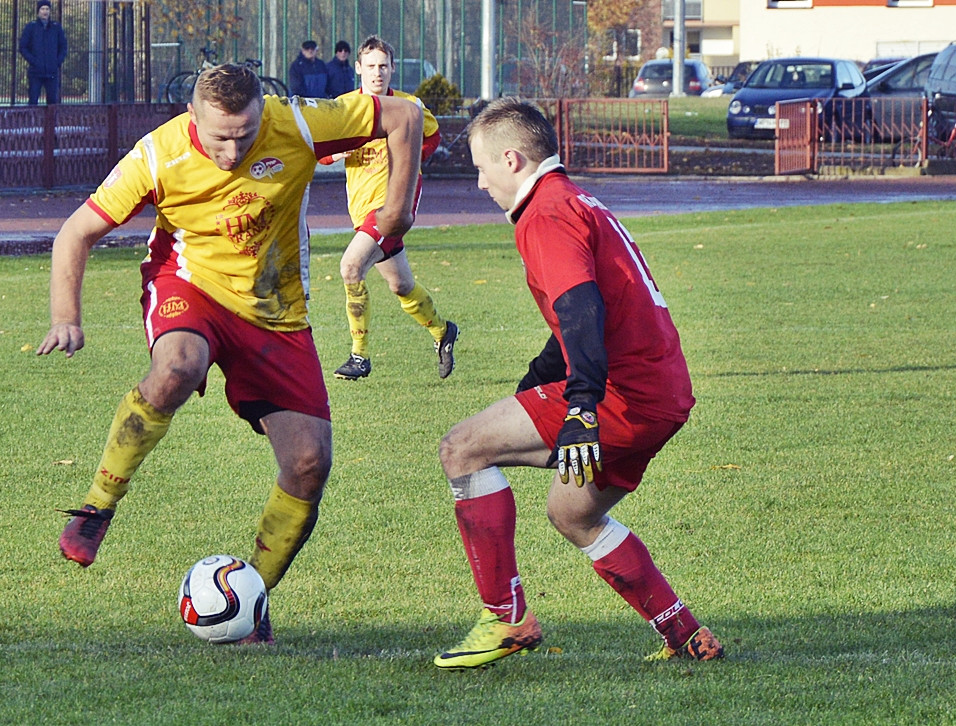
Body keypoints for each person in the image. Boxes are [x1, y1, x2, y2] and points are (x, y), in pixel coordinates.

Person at [38, 63, 423, 644]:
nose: (233, 147)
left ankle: (252, 604)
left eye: (244, 134)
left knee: (308, 465)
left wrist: (396, 210)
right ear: (192, 115)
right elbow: (76, 233)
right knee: (177, 366)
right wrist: (66, 318)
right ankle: (96, 506)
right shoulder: (156, 154)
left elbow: (405, 114)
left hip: (276, 314)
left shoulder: (295, 121)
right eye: (219, 136)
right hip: (189, 288)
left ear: (259, 113)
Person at [432, 97, 723, 669]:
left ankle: (505, 620)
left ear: (511, 160)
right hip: (662, 395)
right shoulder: (575, 200)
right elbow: (575, 321)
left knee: (461, 449)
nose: (480, 181)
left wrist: (582, 407)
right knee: (574, 514)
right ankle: (687, 635)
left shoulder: (546, 213)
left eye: (481, 166)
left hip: (622, 391)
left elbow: (582, 311)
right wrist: (534, 386)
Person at [324, 35, 458, 381]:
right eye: (370, 66)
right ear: (358, 69)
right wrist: (336, 153)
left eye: (383, 66)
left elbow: (432, 136)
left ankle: (359, 356)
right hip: (362, 208)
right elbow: (320, 151)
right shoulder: (344, 107)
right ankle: (443, 332)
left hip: (392, 205)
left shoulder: (409, 106)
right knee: (400, 285)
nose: (377, 73)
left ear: (392, 68)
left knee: (351, 267)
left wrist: (409, 159)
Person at [18, 0, 67, 106]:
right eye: (43, 9)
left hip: (52, 72)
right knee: (33, 101)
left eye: (47, 9)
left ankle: (51, 123)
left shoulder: (56, 28)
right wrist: (34, 61)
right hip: (35, 72)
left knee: (52, 103)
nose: (45, 11)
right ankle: (32, 123)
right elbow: (23, 47)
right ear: (38, 11)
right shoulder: (31, 27)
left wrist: (57, 62)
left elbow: (63, 46)